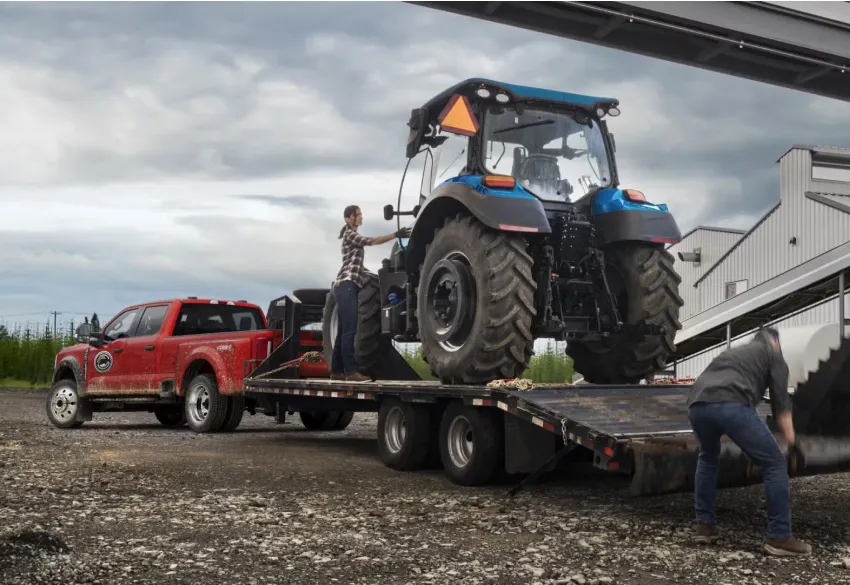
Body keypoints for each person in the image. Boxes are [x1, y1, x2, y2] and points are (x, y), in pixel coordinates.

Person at [686, 326, 811, 556]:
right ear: (775, 342)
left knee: (708, 458)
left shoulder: (731, 353)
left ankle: (705, 527)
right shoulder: (774, 356)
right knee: (774, 463)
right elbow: (781, 405)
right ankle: (779, 536)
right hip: (731, 403)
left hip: (697, 405)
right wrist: (792, 443)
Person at [331, 205, 410, 382]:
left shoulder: (350, 235)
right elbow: (371, 241)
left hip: (348, 284)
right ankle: (351, 372)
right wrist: (395, 235)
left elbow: (354, 263)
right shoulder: (350, 234)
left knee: (343, 329)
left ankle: (336, 371)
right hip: (346, 285)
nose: (361, 217)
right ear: (348, 218)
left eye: (361, 214)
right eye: (358, 215)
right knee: (350, 329)